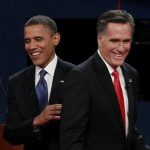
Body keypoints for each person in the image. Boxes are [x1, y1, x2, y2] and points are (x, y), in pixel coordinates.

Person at [59, 10, 150, 150]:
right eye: (114, 41)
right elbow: (71, 140)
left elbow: (126, 128)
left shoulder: (131, 74)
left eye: (126, 41)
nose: (121, 48)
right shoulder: (80, 76)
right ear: (99, 39)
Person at [3, 15, 75, 150]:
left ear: (55, 39)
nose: (31, 46)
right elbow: (10, 133)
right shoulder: (17, 82)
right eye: (27, 41)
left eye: (38, 39)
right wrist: (37, 121)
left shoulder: (76, 75)